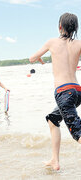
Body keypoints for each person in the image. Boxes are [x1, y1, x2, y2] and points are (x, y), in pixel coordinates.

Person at [29, 13, 81, 171]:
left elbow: (32, 58)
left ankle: (55, 160)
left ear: (60, 26)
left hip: (64, 93)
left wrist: (40, 58)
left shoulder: (52, 42)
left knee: (77, 131)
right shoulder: (79, 44)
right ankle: (54, 160)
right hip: (77, 91)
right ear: (75, 27)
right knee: (52, 119)